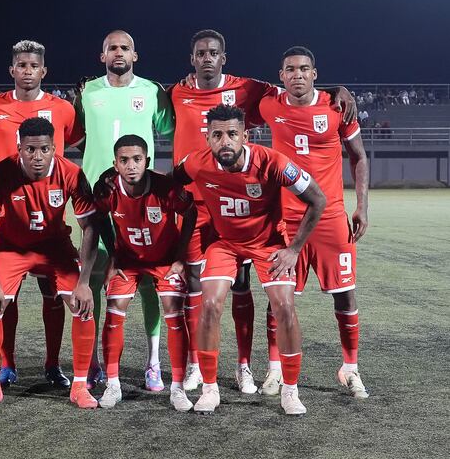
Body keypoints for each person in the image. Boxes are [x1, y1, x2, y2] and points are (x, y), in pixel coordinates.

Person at [168, 29, 358, 394]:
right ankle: (195, 364)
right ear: (192, 58)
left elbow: (295, 89)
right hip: (196, 202)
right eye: (200, 53)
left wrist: (335, 90)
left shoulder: (248, 90)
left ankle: (244, 367)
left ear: (224, 57)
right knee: (196, 286)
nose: (207, 57)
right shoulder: (174, 92)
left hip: (238, 204)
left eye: (213, 52)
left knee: (241, 287)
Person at [172, 104, 326, 416]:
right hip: (224, 244)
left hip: (268, 243)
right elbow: (168, 184)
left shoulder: (272, 162)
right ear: (208, 137)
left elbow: (317, 199)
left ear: (245, 134)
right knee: (210, 303)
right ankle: (210, 389)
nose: (224, 141)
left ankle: (290, 391)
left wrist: (294, 249)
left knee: (284, 306)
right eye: (217, 135)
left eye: (231, 134)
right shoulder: (197, 163)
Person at [254, 46, 370, 398]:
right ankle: (274, 369)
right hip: (285, 218)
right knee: (279, 298)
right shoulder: (268, 104)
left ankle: (350, 368)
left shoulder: (337, 107)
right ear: (281, 75)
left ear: (315, 74)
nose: (298, 75)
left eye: (304, 69)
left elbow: (359, 157)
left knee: (345, 297)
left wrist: (362, 206)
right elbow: (233, 91)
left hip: (332, 217)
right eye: (290, 69)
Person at [0, 117, 99, 409]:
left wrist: (84, 283)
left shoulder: (72, 173)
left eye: (44, 149)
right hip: (12, 247)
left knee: (82, 306)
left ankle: (79, 386)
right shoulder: (0, 173)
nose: (37, 157)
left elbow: (90, 227)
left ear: (55, 148)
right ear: (19, 148)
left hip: (55, 247)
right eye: (30, 150)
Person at [0, 39, 84, 387]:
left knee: (52, 294)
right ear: (12, 70)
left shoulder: (62, 109)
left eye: (33, 66)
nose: (27, 71)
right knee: (2, 298)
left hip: (48, 212)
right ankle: (6, 365)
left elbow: (71, 144)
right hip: (6, 215)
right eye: (20, 65)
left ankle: (53, 365)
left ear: (44, 71)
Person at [75, 29, 174, 390]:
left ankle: (153, 362)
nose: (119, 53)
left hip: (140, 199)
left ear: (136, 55)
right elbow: (73, 133)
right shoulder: (87, 92)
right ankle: (94, 363)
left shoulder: (152, 91)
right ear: (102, 56)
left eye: (125, 48)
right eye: (112, 48)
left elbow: (169, 127)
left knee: (149, 280)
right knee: (95, 278)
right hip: (95, 199)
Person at [94, 134, 196, 411]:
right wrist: (113, 256)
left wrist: (180, 258)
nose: (131, 166)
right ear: (115, 164)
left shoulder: (166, 187)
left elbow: (191, 213)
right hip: (127, 260)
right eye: (124, 160)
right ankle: (112, 384)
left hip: (164, 260)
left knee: (175, 313)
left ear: (147, 161)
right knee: (114, 311)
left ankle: (176, 388)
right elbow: (99, 216)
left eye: (137, 159)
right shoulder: (106, 190)